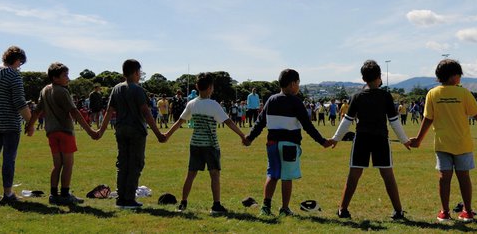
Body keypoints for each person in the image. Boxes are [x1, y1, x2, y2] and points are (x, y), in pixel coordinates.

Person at [409, 59, 477, 223]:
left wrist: (419, 139)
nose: (460, 78)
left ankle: (444, 212)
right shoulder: (463, 93)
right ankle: (468, 212)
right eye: (459, 75)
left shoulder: (432, 93)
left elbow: (428, 119)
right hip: (462, 143)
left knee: (444, 178)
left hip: (443, 144)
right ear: (453, 76)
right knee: (464, 178)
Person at [244, 69, 333, 217]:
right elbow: (308, 126)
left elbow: (260, 122)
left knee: (272, 174)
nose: (298, 86)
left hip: (272, 144)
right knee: (286, 177)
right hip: (289, 145)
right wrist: (322, 141)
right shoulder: (296, 102)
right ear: (292, 84)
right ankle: (284, 208)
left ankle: (265, 207)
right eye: (298, 83)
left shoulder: (271, 100)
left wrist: (250, 138)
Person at [331, 60, 411, 220]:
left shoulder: (357, 97)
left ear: (363, 79)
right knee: (388, 175)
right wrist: (404, 140)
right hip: (381, 138)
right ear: (379, 77)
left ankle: (343, 209)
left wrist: (335, 139)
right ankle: (398, 211)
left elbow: (346, 120)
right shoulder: (386, 96)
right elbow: (394, 121)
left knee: (353, 174)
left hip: (361, 139)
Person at [164, 73, 248, 215]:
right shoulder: (213, 105)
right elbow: (228, 122)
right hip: (210, 145)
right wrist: (242, 136)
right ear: (210, 88)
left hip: (195, 143)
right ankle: (216, 205)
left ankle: (183, 203)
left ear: (197, 87)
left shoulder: (192, 104)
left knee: (191, 174)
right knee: (214, 174)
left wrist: (166, 135)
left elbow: (179, 122)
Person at [26, 62, 99, 205]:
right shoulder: (62, 91)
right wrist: (90, 131)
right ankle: (65, 194)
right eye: (65, 75)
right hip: (65, 131)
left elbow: (37, 110)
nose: (68, 78)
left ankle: (53, 195)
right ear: (55, 78)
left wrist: (30, 126)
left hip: (51, 132)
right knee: (68, 164)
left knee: (57, 165)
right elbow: (74, 112)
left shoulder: (44, 90)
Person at [97, 59, 166, 209]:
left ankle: (121, 197)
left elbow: (109, 111)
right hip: (136, 130)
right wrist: (158, 133)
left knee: (122, 163)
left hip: (120, 129)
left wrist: (100, 131)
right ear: (136, 72)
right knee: (135, 164)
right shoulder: (138, 89)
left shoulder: (116, 88)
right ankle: (129, 198)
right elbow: (146, 112)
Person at [0, 46, 33, 203]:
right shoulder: (13, 75)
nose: (20, 67)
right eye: (20, 64)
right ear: (17, 60)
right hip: (10, 122)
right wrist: (30, 122)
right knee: (9, 158)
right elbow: (20, 103)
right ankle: (8, 193)